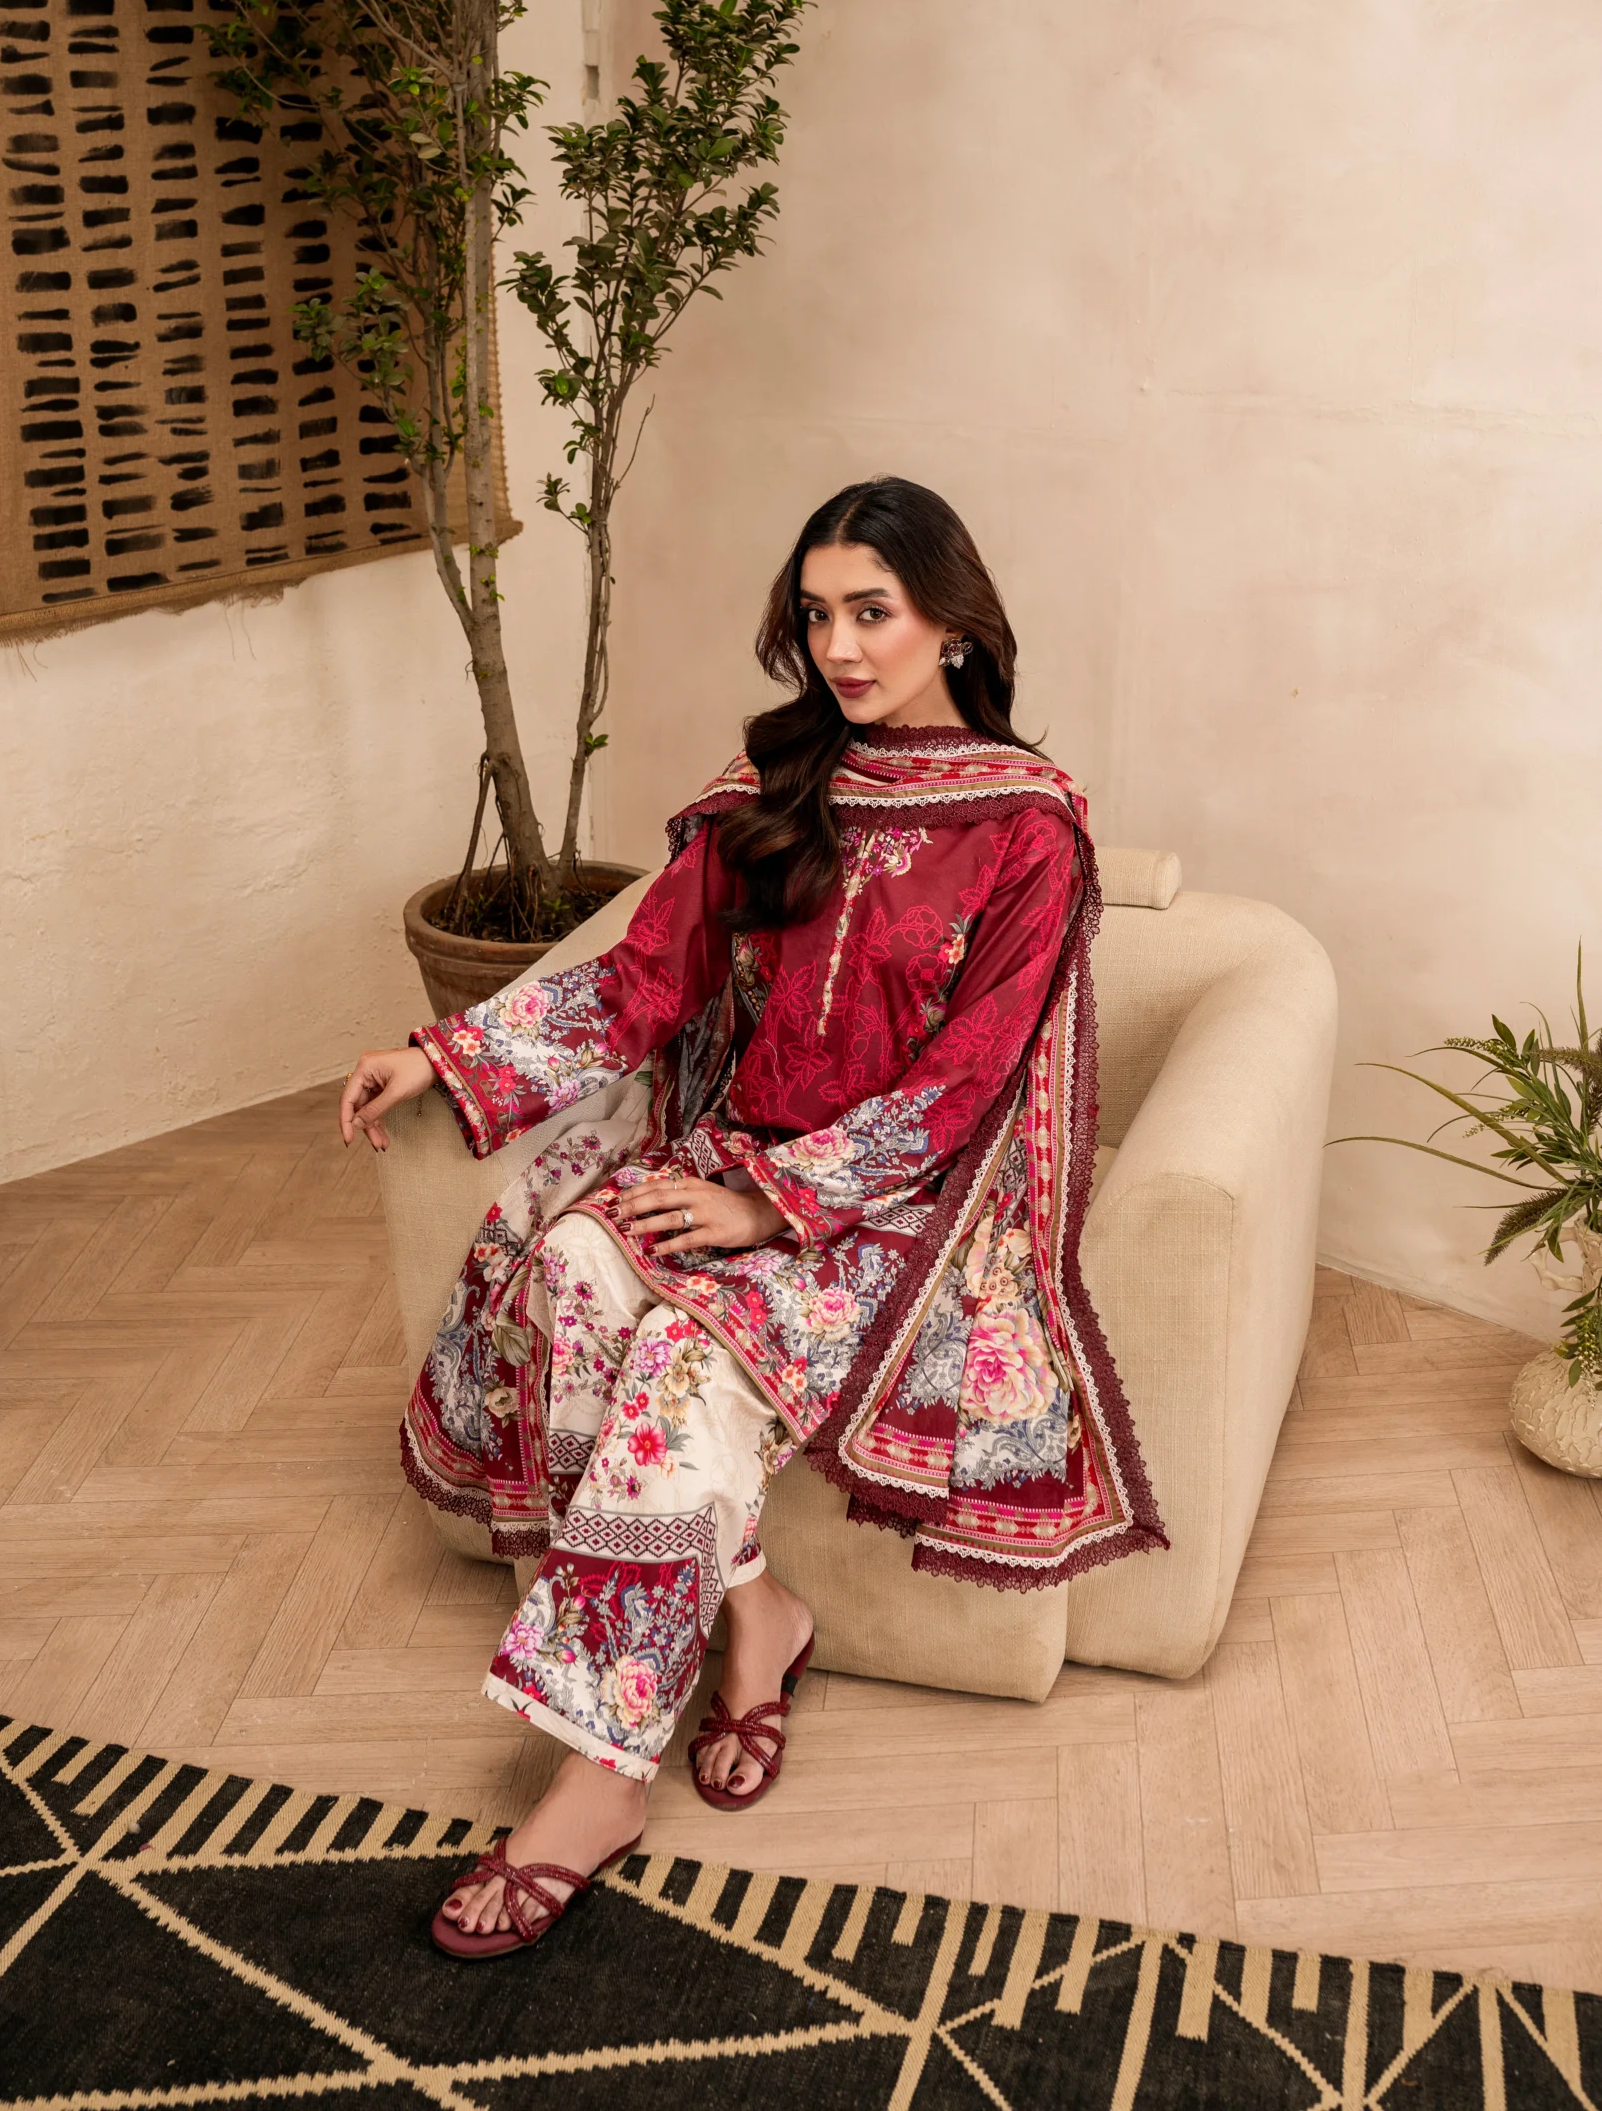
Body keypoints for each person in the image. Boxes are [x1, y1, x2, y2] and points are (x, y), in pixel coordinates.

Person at [340, 475, 1164, 1959]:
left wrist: (766, 1206)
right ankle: (758, 1616)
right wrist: (447, 1055)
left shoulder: (1027, 830)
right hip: (729, 1152)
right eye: (817, 614)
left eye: (873, 612)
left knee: (676, 1362)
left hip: (890, 1211)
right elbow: (639, 979)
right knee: (570, 1272)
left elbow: (964, 1085)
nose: (839, 647)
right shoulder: (776, 782)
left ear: (952, 622)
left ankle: (597, 1781)